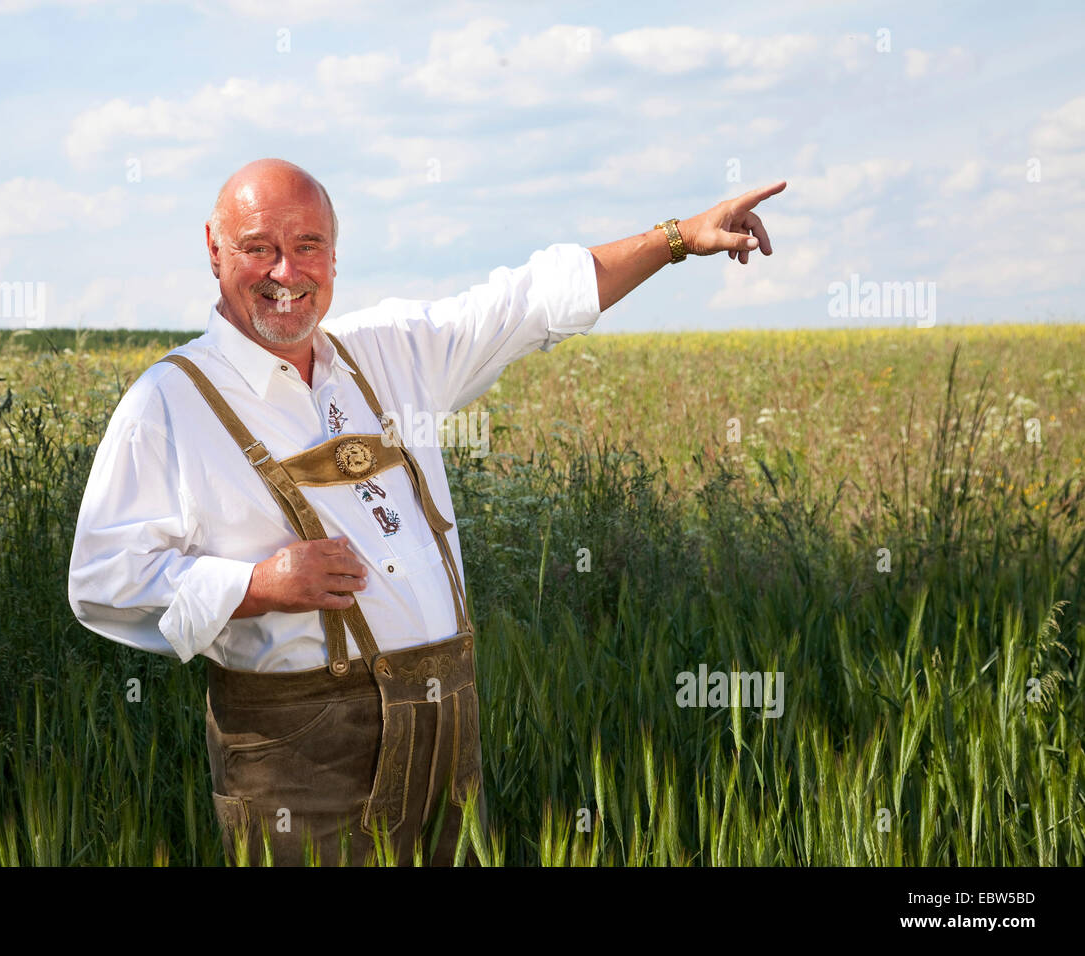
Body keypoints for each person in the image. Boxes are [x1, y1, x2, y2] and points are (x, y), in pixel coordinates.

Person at [67, 157, 784, 866]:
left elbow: (532, 301)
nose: (286, 272)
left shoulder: (389, 352)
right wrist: (254, 587)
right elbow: (104, 579)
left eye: (307, 246)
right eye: (259, 248)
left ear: (335, 256)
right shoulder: (167, 403)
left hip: (449, 736)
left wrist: (680, 238)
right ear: (214, 249)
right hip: (300, 762)